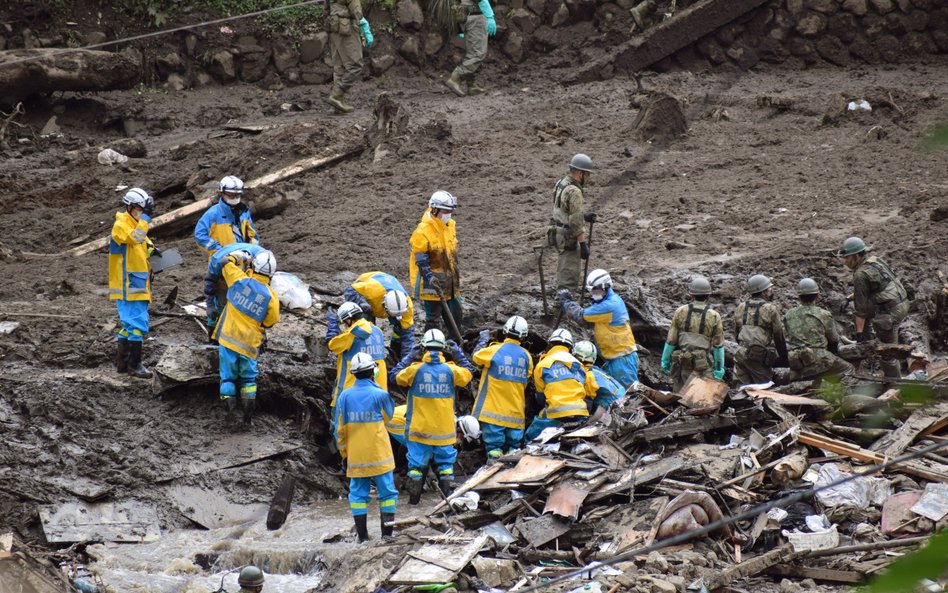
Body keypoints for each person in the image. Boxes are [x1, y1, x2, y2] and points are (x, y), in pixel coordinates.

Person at [390, 329, 474, 504]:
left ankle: (414, 502)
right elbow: (469, 372)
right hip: (444, 431)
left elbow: (394, 376)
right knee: (445, 468)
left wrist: (408, 357)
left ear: (423, 348)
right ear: (443, 349)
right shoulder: (452, 371)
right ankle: (446, 503)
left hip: (419, 430)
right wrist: (458, 354)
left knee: (416, 467)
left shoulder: (414, 370)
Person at [212, 250, 281, 425]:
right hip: (250, 343)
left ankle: (228, 415)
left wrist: (241, 257)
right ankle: (247, 418)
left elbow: (224, 261)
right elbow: (270, 322)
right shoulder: (271, 296)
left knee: (227, 378)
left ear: (253, 267)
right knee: (249, 380)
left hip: (228, 338)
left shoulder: (239, 279)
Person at [335, 352, 397, 542]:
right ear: (373, 371)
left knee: (357, 495)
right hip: (380, 455)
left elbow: (339, 429)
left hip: (356, 456)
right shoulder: (380, 394)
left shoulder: (344, 396)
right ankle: (386, 537)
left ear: (353, 373)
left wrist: (345, 454)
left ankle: (362, 537)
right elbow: (389, 417)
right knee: (387, 493)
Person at [838, 236, 909, 378]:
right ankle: (869, 342)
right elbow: (878, 287)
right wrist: (849, 297)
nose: (845, 261)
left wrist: (858, 334)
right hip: (902, 302)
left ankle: (896, 384)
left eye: (847, 258)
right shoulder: (875, 261)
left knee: (887, 354)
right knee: (869, 317)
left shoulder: (859, 274)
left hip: (890, 313)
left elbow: (861, 311)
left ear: (856, 256)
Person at [559, 269, 640, 386]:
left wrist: (566, 303)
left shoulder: (609, 305)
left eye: (594, 290)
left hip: (622, 361)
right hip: (615, 358)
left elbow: (582, 316)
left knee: (627, 396)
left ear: (605, 287)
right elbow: (591, 322)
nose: (592, 293)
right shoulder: (610, 300)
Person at [470, 316, 534, 462]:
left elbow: (475, 357)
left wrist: (483, 340)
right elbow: (528, 375)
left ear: (504, 331)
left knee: (494, 449)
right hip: (515, 413)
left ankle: (491, 470)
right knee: (514, 450)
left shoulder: (494, 350)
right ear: (523, 337)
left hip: (492, 412)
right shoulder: (527, 357)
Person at [109, 187, 156, 379]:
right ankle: (134, 364)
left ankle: (123, 364)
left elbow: (143, 247)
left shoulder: (134, 223)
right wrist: (145, 219)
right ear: (130, 207)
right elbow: (135, 238)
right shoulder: (121, 225)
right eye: (140, 209)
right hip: (127, 281)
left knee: (130, 323)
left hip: (136, 278)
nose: (142, 213)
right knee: (137, 322)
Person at [326, 301, 388, 430]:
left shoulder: (351, 335)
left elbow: (332, 345)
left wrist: (333, 326)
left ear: (348, 319)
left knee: (340, 428)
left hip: (350, 392)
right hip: (378, 393)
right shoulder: (378, 332)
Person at [409, 191, 462, 332]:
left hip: (451, 280)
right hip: (432, 281)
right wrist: (430, 277)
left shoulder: (450, 225)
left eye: (450, 211)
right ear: (435, 209)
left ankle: (454, 341)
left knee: (456, 314)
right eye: (446, 211)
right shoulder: (422, 231)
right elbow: (421, 260)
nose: (448, 214)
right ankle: (431, 345)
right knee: (433, 319)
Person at [661, 276, 726, 392]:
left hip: (682, 364)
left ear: (691, 295)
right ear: (708, 296)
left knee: (679, 397)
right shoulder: (714, 316)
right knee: (702, 400)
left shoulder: (680, 311)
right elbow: (718, 346)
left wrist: (665, 361)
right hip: (702, 366)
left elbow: (671, 340)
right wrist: (718, 369)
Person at [784, 278, 853, 382]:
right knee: (848, 369)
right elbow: (833, 339)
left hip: (797, 361)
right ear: (817, 295)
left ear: (799, 296)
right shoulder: (823, 314)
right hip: (819, 359)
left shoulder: (789, 314)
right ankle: (845, 394)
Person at [525, 329, 589, 441]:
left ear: (550, 344)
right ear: (570, 347)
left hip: (556, 411)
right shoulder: (579, 365)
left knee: (531, 435)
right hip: (580, 412)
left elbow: (540, 397)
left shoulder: (543, 364)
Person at [548, 154, 594, 291]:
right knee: (569, 276)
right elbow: (575, 222)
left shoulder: (561, 183)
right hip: (568, 238)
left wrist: (583, 216)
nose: (588, 178)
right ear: (580, 173)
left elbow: (563, 209)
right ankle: (563, 308)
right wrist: (583, 244)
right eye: (587, 174)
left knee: (563, 267)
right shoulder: (575, 191)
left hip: (556, 232)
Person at [344, 271, 416, 359]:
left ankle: (395, 354)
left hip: (388, 287)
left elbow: (408, 335)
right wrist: (363, 304)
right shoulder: (373, 291)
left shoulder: (406, 307)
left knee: (401, 328)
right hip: (366, 289)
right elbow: (349, 291)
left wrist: (406, 361)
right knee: (366, 324)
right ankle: (360, 353)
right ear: (384, 306)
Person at [733, 274, 788, 386]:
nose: (771, 291)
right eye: (769, 289)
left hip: (740, 352)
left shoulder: (741, 306)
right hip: (758, 355)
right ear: (763, 292)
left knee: (739, 389)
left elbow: (737, 331)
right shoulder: (770, 309)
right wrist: (783, 357)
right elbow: (778, 335)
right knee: (764, 388)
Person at [204, 242, 266, 334]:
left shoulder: (262, 259)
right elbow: (210, 283)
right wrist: (210, 305)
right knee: (221, 303)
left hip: (249, 274)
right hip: (225, 270)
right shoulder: (217, 261)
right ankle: (214, 328)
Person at [324, 0, 373, 113]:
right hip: (345, 28)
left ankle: (336, 105)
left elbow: (326, 10)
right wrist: (363, 23)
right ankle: (336, 96)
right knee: (355, 65)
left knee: (339, 67)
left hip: (334, 27)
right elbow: (355, 7)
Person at [194, 176, 259, 257]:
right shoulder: (212, 214)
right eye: (231, 195)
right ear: (221, 193)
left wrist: (252, 250)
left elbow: (252, 235)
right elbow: (200, 236)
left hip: (245, 258)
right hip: (223, 261)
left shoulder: (244, 212)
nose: (234, 198)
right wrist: (220, 250)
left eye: (237, 195)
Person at [444, 0, 497, 97]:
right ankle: (455, 78)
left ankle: (471, 85)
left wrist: (459, 27)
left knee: (472, 52)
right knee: (478, 53)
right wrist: (490, 16)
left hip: (467, 16)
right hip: (475, 17)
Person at [572, 340, 626, 422]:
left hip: (611, 406)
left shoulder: (588, 376)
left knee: (584, 425)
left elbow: (587, 403)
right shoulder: (596, 371)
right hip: (623, 399)